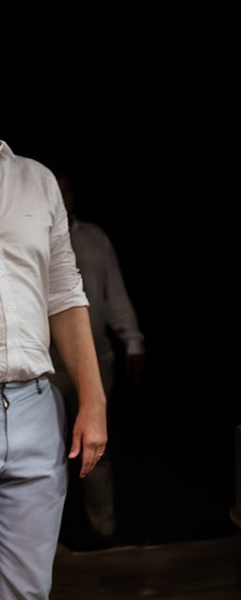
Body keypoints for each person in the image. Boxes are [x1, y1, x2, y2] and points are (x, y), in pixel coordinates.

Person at [0, 144, 124, 600]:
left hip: (30, 406)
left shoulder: (33, 180)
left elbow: (65, 292)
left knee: (25, 596)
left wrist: (94, 399)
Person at [49, 177, 144, 546]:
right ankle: (49, 539)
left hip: (97, 355)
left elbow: (113, 291)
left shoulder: (93, 237)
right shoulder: (25, 235)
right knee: (46, 450)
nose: (60, 196)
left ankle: (103, 531)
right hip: (47, 361)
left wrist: (132, 340)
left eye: (66, 189)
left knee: (97, 446)